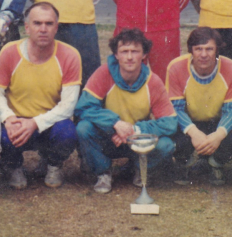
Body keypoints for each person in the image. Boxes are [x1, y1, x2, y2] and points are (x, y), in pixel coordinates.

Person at [0, 2, 81, 190]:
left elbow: (68, 106)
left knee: (68, 132)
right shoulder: (9, 52)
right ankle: (13, 166)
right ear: (27, 27)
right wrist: (8, 118)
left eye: (49, 24)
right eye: (37, 23)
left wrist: (35, 123)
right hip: (17, 123)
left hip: (49, 123)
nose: (43, 29)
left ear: (56, 27)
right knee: (3, 135)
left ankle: (53, 164)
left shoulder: (70, 55)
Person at [75, 28, 177, 194]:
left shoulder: (153, 81)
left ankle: (138, 168)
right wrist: (115, 123)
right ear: (116, 54)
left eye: (135, 51)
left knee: (166, 145)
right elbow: (83, 107)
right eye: (124, 51)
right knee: (84, 128)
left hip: (137, 141)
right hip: (110, 138)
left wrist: (134, 130)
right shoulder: (103, 73)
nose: (129, 57)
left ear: (144, 55)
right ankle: (103, 172)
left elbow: (170, 123)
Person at [166, 27, 232, 186]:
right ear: (191, 50)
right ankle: (184, 163)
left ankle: (215, 163)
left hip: (217, 121)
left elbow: (231, 111)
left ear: (217, 50)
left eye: (209, 49)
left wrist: (217, 136)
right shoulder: (176, 67)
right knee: (173, 134)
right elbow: (176, 108)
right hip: (189, 122)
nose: (204, 54)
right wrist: (194, 133)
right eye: (198, 49)